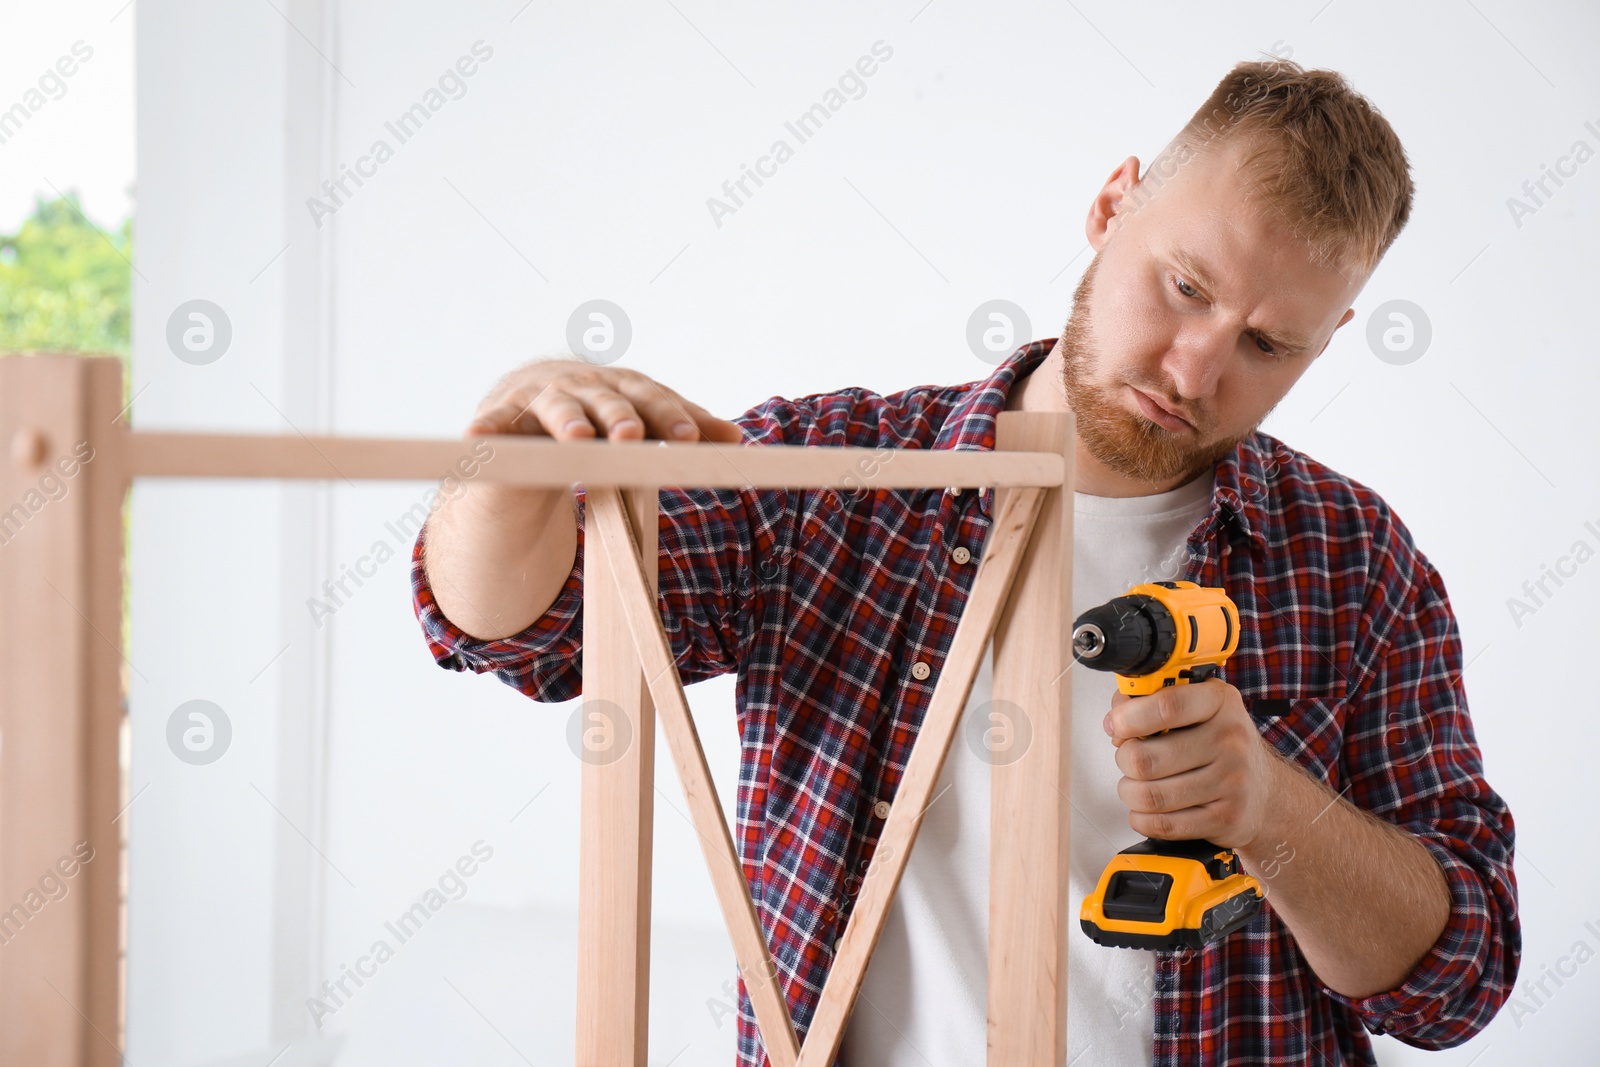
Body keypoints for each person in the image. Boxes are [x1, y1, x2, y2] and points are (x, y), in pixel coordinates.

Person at [411, 56, 1518, 1067]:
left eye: (1267, 344)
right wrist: (509, 454)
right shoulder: (836, 479)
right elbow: (519, 628)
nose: (1193, 368)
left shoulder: (1353, 560)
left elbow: (1456, 982)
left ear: (1329, 337)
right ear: (1111, 203)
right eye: (1185, 286)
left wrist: (1273, 809)